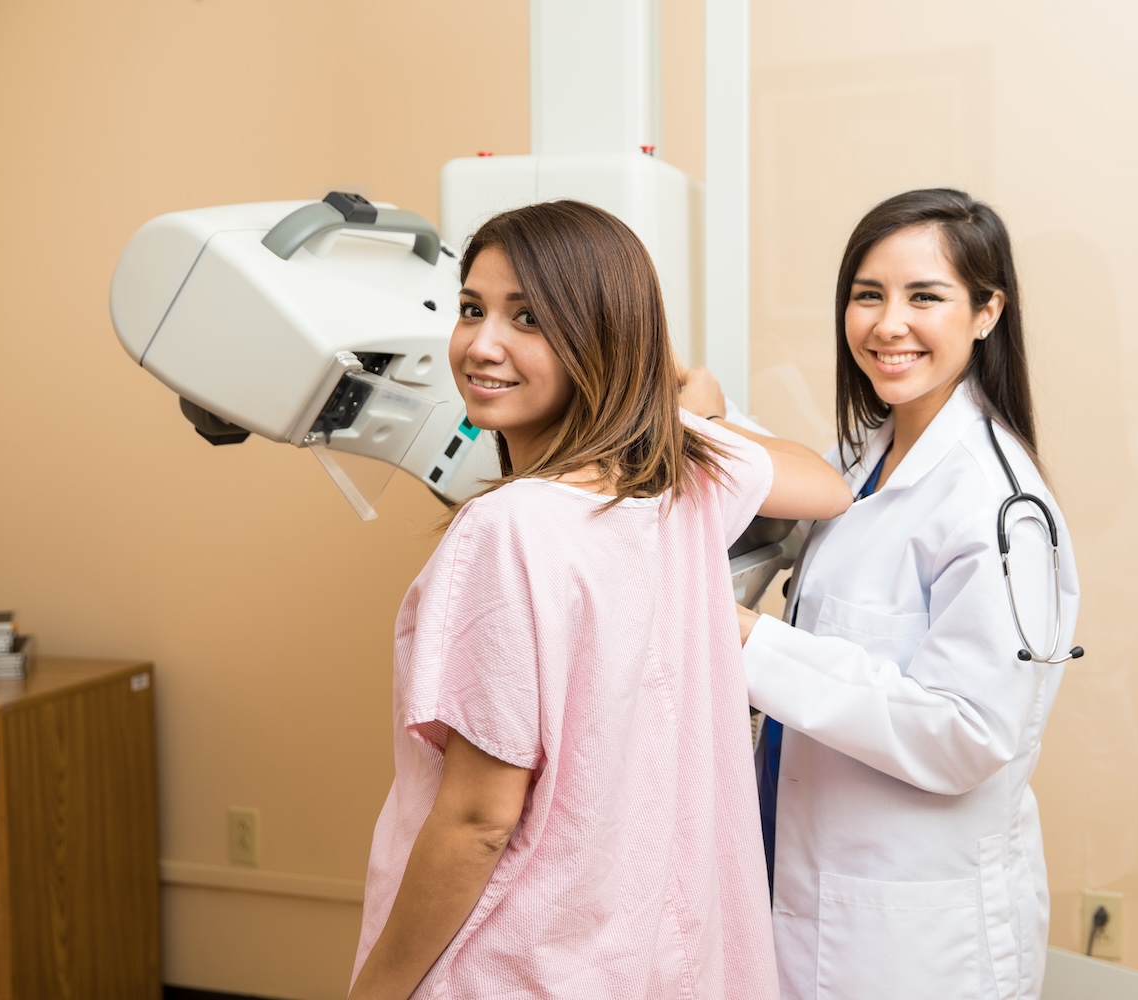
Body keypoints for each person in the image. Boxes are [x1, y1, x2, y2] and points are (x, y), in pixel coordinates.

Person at [346, 200, 852, 1000]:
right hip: (649, 956)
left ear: (601, 338)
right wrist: (693, 415)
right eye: (471, 309)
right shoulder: (684, 478)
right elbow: (825, 487)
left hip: (517, 962)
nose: (481, 345)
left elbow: (479, 820)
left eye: (529, 319)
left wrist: (374, 992)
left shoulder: (508, 527)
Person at [682, 188, 1081, 999]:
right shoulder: (871, 452)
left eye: (924, 296)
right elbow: (814, 500)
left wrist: (749, 640)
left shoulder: (1000, 509)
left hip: (915, 937)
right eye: (868, 295)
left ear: (986, 310)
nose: (887, 325)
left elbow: (964, 734)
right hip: (806, 876)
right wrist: (706, 419)